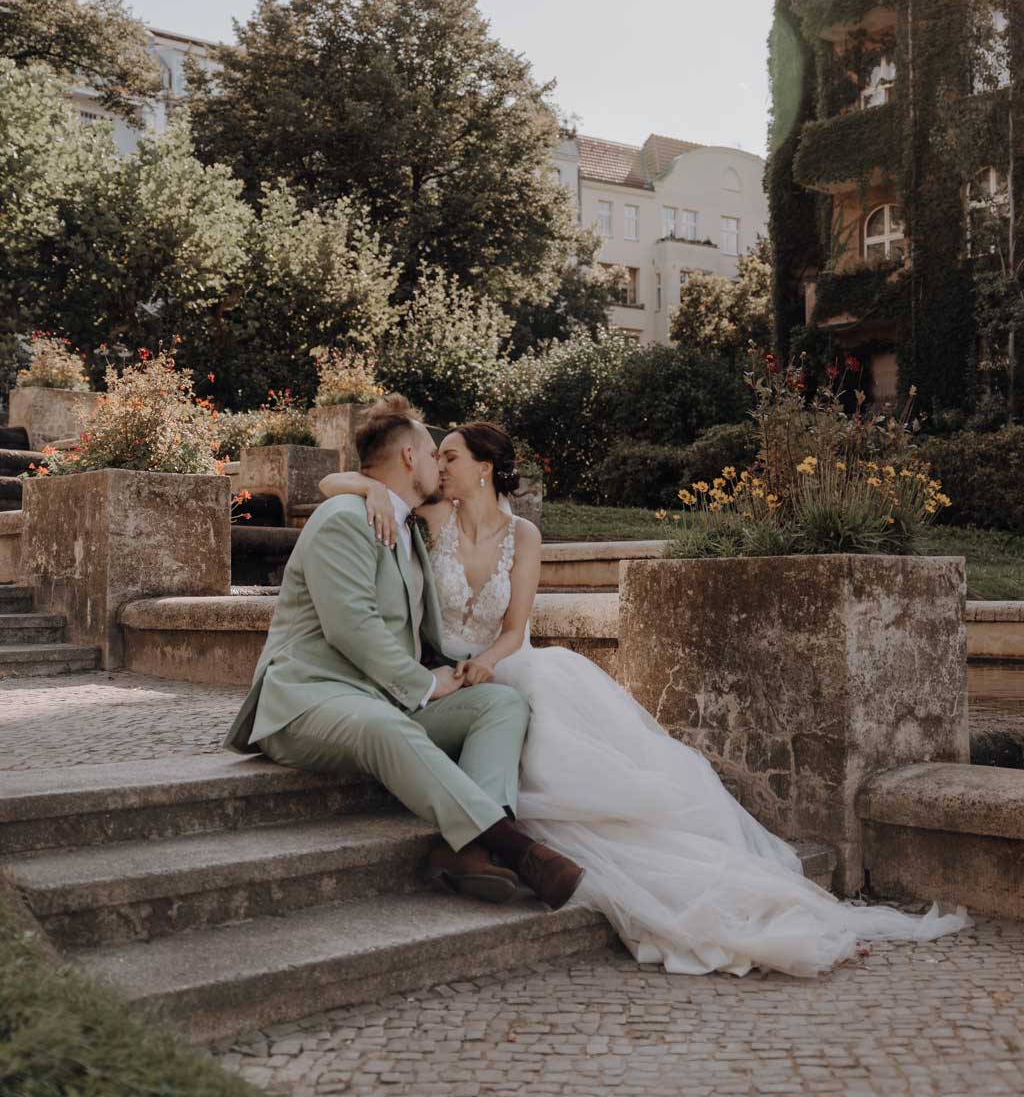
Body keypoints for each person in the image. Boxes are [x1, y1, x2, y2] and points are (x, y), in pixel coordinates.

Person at [320, 419, 971, 980]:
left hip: (497, 664)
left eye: (452, 455)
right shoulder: (428, 518)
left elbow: (516, 629)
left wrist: (481, 666)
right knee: (531, 708)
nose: (439, 464)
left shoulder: (525, 537)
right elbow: (332, 487)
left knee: (548, 686)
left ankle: (518, 832)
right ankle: (498, 838)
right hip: (446, 672)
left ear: (484, 468)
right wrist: (370, 486)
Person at [223, 396, 585, 911]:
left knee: (502, 704)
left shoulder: (411, 527)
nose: (442, 463)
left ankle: (466, 850)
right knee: (384, 724)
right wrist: (425, 684)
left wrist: (444, 676)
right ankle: (518, 850)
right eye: (435, 452)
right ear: (411, 457)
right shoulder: (342, 519)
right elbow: (353, 628)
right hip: (306, 703)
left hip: (381, 700)